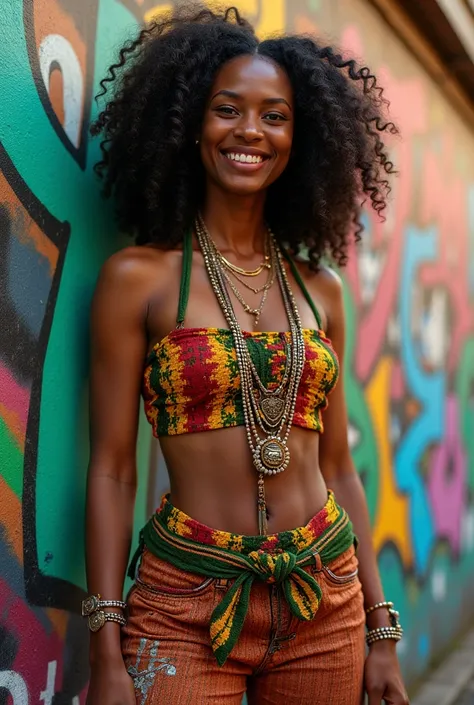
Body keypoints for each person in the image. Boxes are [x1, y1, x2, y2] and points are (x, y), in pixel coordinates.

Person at [84, 5, 409, 704]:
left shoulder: (320, 290)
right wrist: (104, 646)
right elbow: (111, 469)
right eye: (227, 109)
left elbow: (339, 467)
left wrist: (382, 631)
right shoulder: (138, 281)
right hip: (186, 602)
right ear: (189, 124)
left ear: (303, 136)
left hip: (326, 596)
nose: (250, 132)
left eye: (275, 116)